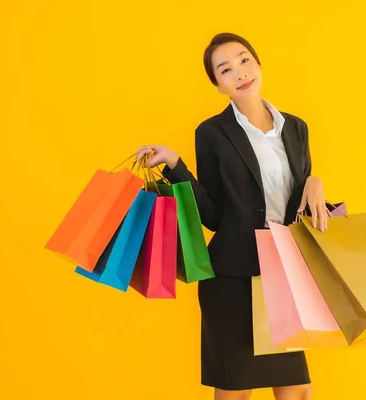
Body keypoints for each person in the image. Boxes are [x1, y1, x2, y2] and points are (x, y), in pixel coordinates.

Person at [135, 32, 329, 400]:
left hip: (282, 277)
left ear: (258, 63)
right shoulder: (211, 133)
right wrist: (176, 166)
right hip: (232, 279)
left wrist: (315, 180)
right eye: (225, 70)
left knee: (297, 391)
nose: (239, 73)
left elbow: (301, 199)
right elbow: (212, 214)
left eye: (244, 60)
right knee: (236, 392)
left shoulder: (297, 128)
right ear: (219, 86)